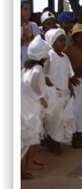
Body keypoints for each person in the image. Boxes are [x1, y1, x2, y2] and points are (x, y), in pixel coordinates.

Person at [42, 28, 76, 155]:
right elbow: (44, 75)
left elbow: (68, 75)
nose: (63, 43)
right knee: (53, 119)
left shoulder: (65, 57)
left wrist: (71, 89)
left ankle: (55, 141)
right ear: (52, 42)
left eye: (63, 40)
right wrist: (52, 87)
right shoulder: (49, 56)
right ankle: (53, 143)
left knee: (61, 119)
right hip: (53, 94)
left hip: (64, 92)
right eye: (59, 41)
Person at [21, 36, 50, 179]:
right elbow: (34, 85)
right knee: (32, 135)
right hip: (32, 106)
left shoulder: (27, 67)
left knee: (29, 134)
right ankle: (28, 163)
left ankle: (29, 160)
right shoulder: (38, 68)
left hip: (25, 104)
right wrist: (42, 99)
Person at [64, 23, 82, 148]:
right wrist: (70, 78)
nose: (81, 38)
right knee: (73, 109)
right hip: (72, 82)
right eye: (78, 36)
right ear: (74, 37)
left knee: (81, 109)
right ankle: (73, 136)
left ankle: (80, 133)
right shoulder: (69, 49)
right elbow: (64, 64)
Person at [20, 0, 41, 69]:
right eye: (25, 9)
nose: (28, 12)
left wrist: (31, 37)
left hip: (32, 65)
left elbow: (39, 45)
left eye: (29, 9)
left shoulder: (34, 26)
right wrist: (24, 38)